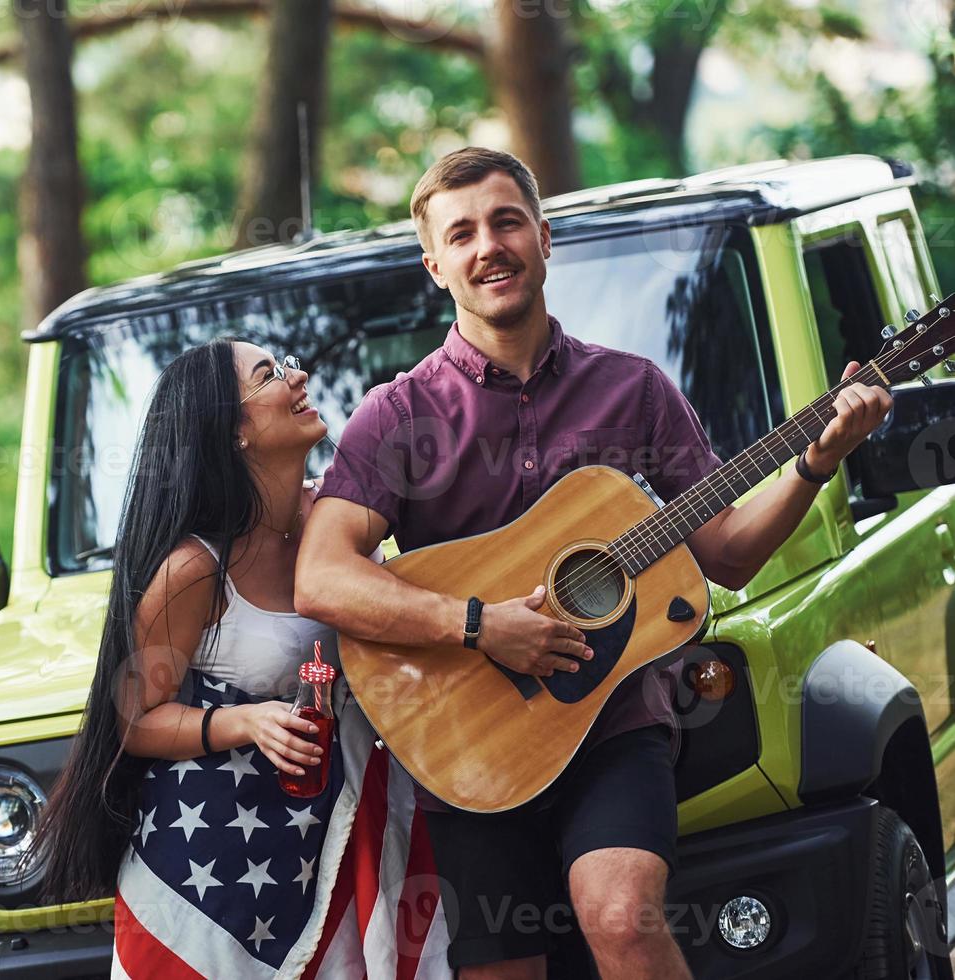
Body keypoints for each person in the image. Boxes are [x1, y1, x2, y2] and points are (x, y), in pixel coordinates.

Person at [294, 147, 893, 980]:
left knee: (620, 915)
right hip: (470, 741)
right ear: (434, 264)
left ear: (544, 236)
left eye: (506, 221)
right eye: (460, 233)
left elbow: (723, 555)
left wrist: (814, 464)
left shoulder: (634, 390)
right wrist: (478, 626)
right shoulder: (396, 415)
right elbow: (321, 576)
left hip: (616, 725)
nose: (487, 246)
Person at [32, 340, 451, 978]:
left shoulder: (339, 523)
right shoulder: (193, 571)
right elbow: (136, 721)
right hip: (219, 870)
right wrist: (247, 721)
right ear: (235, 434)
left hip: (348, 832)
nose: (299, 376)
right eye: (272, 375)